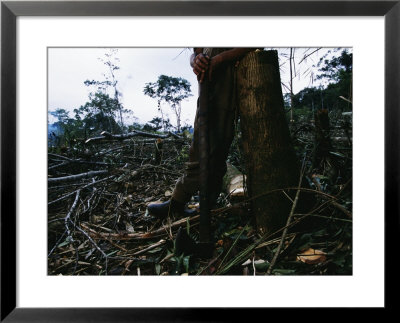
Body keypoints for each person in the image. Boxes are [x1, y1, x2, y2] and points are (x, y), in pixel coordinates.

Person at [148, 48, 260, 218]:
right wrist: (195, 61)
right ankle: (203, 206)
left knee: (209, 147)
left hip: (226, 78)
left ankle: (181, 202)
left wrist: (221, 59)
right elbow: (197, 52)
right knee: (203, 143)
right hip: (209, 83)